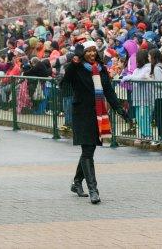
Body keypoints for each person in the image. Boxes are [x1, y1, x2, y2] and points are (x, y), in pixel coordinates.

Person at [63, 41, 130, 204]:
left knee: (89, 150)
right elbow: (65, 80)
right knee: (87, 150)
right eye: (88, 51)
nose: (92, 54)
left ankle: (77, 182)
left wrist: (120, 110)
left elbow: (108, 91)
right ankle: (93, 190)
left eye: (94, 51)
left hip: (97, 114)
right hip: (82, 113)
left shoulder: (101, 70)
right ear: (83, 54)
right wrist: (75, 59)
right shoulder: (76, 68)